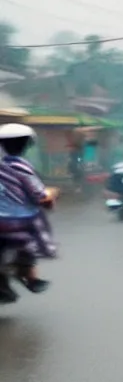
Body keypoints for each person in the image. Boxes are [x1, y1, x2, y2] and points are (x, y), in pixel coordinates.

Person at [0, 123, 58, 294]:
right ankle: (30, 276)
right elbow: (39, 195)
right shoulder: (22, 167)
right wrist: (52, 195)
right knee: (36, 230)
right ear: (26, 145)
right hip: (19, 222)